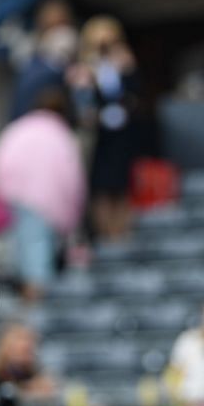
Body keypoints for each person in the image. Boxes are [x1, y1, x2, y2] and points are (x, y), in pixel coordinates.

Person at [0, 85, 86, 303]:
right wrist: (72, 218)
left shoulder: (18, 128)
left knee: (20, 257)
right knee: (36, 263)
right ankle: (32, 316)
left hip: (12, 200)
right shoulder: (62, 135)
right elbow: (72, 179)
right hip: (45, 204)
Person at [67, 14, 141, 241]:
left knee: (122, 182)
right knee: (101, 184)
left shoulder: (123, 62)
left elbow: (134, 93)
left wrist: (127, 70)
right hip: (98, 136)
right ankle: (105, 232)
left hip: (121, 133)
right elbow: (81, 104)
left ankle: (123, 231)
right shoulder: (84, 67)